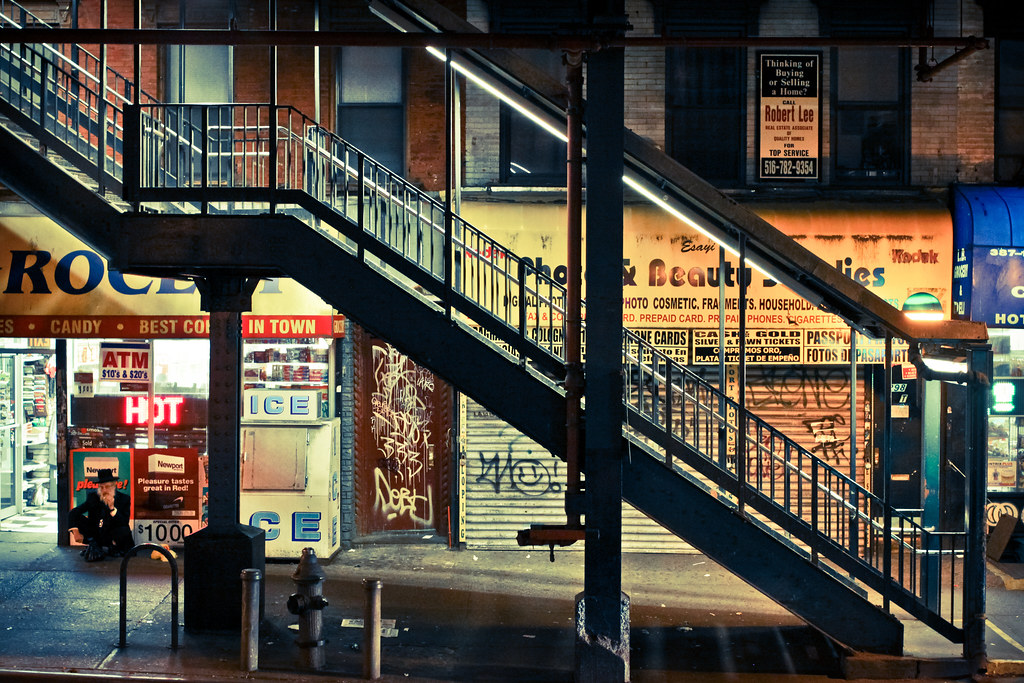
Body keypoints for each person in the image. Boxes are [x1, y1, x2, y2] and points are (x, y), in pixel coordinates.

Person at [69, 468, 134, 561]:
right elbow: (74, 513)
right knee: (78, 518)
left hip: (114, 535)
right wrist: (75, 531)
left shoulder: (124, 499)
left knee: (123, 529)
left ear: (114, 486)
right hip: (97, 534)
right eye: (101, 487)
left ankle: (112, 547)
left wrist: (112, 509)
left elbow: (124, 522)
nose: (104, 490)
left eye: (107, 487)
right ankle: (96, 545)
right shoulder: (93, 497)